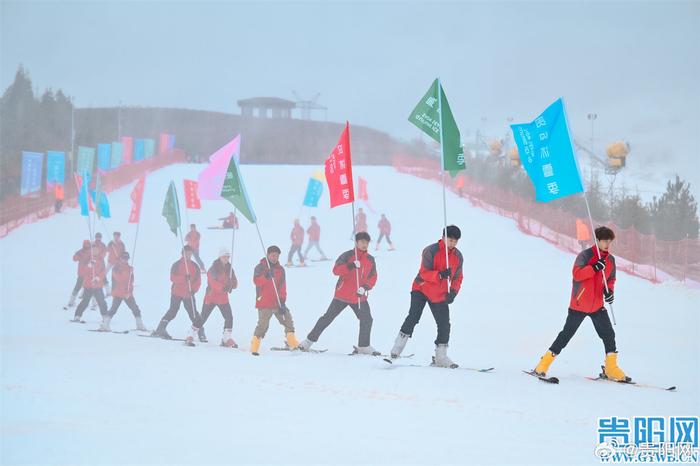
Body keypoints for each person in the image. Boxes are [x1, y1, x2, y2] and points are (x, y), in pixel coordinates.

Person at [531, 226, 628, 381]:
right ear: (597, 240)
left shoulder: (610, 260)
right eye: (604, 241)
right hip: (579, 304)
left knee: (609, 335)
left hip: (597, 306)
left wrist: (609, 293)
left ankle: (611, 369)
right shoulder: (585, 255)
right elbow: (577, 275)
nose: (607, 244)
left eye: (609, 241)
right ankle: (542, 365)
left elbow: (610, 280)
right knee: (566, 335)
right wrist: (594, 267)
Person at [389, 225, 464, 368]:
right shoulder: (431, 250)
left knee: (444, 324)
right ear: (443, 237)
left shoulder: (458, 257)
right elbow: (424, 272)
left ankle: (441, 357)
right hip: (421, 288)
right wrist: (440, 275)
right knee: (413, 316)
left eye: (455, 241)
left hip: (439, 293)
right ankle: (396, 350)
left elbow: (458, 277)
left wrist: (453, 292)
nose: (452, 243)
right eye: (450, 239)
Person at [298, 232, 378, 354]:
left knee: (367, 319)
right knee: (327, 318)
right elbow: (336, 270)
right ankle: (307, 342)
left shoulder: (370, 259)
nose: (364, 244)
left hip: (359, 296)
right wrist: (351, 265)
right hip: (343, 295)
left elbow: (373, 276)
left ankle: (364, 346)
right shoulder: (347, 256)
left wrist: (365, 287)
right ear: (356, 242)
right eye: (362, 242)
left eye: (366, 243)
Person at [250, 246, 299, 355]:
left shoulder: (280, 269)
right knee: (263, 325)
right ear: (268, 255)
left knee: (288, 319)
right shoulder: (260, 267)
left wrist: (282, 302)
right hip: (264, 302)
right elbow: (256, 281)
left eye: (277, 256)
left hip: (277, 302)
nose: (275, 258)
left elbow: (282, 286)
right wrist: (266, 276)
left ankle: (292, 343)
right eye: (273, 255)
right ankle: (254, 346)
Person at [151, 245, 203, 345]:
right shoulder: (176, 265)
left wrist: (194, 290)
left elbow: (198, 281)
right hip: (177, 292)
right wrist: (184, 278)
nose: (188, 255)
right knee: (172, 311)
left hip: (189, 293)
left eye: (190, 253)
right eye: (186, 253)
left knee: (193, 313)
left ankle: (200, 332)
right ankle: (160, 329)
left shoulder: (195, 266)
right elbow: (172, 278)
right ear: (182, 253)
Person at [200, 247, 238, 347]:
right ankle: (191, 333)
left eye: (228, 257)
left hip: (223, 299)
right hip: (211, 297)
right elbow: (213, 283)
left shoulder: (230, 269)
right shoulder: (213, 268)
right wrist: (224, 287)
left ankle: (226, 338)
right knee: (203, 317)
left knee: (229, 317)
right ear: (220, 257)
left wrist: (232, 284)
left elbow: (235, 283)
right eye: (224, 257)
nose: (226, 259)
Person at [101, 251, 147, 331]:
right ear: (120, 258)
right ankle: (105, 324)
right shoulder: (116, 267)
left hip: (127, 293)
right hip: (118, 292)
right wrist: (129, 271)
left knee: (135, 308)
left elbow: (131, 282)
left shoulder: (129, 268)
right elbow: (119, 279)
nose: (125, 260)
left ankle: (139, 325)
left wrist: (129, 292)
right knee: (113, 309)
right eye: (124, 258)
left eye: (127, 258)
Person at [71, 243, 108, 322]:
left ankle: (105, 317)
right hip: (88, 285)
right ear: (91, 250)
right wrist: (89, 266)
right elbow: (82, 271)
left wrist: (98, 278)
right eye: (93, 249)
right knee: (85, 302)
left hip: (98, 285)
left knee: (102, 302)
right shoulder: (87, 259)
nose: (95, 251)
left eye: (96, 249)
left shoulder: (101, 259)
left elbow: (103, 271)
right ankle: (77, 316)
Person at [66, 240, 91, 308]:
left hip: (83, 273)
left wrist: (77, 255)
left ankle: (71, 301)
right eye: (86, 244)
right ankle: (85, 303)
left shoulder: (81, 252)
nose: (87, 246)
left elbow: (74, 259)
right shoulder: (90, 252)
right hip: (86, 273)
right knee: (88, 288)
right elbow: (74, 259)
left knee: (78, 287)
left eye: (87, 244)